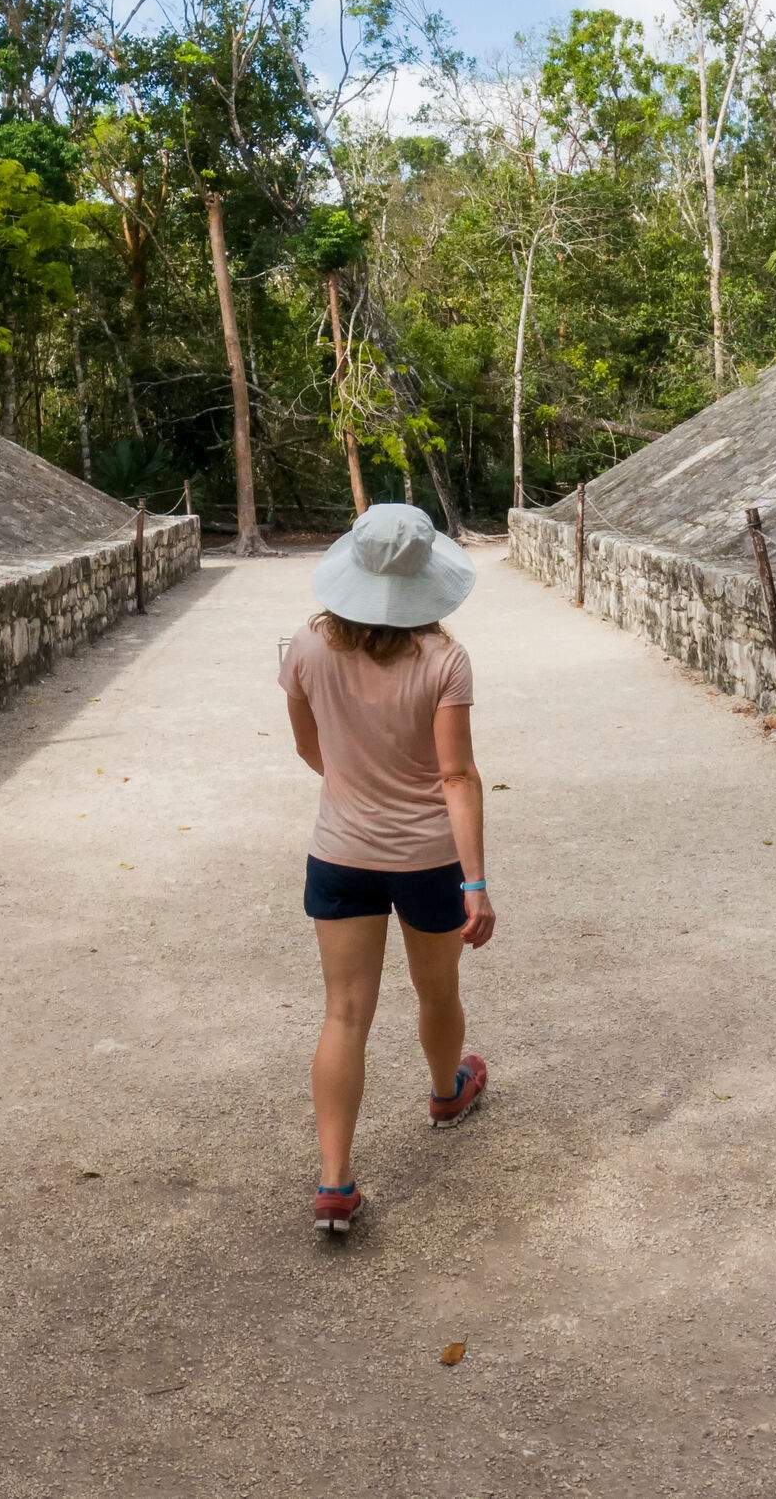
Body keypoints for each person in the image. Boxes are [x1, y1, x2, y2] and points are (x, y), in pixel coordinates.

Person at [277, 502, 495, 1238]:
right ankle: (445, 1090)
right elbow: (456, 776)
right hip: (428, 858)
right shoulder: (443, 660)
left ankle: (335, 1181)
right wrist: (475, 883)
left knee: (344, 1012)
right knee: (437, 993)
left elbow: (314, 752)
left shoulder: (303, 650)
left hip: (339, 852)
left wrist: (355, 790)